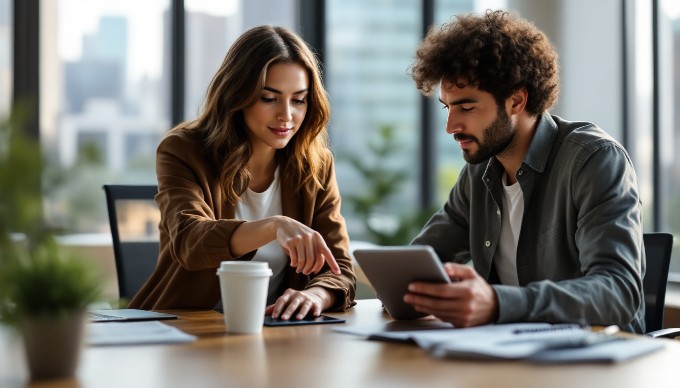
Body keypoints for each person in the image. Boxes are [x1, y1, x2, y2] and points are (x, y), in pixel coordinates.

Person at [403, 10, 645, 333]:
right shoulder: (479, 173)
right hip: (514, 357)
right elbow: (421, 261)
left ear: (516, 101)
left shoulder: (594, 161)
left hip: (597, 362)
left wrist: (499, 304)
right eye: (447, 107)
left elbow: (618, 292)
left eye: (467, 107)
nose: (450, 127)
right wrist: (404, 289)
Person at [129, 25, 356, 320]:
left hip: (274, 335)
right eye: (269, 98)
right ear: (238, 94)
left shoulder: (316, 165)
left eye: (299, 100)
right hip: (185, 329)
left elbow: (340, 268)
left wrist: (315, 295)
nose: (286, 115)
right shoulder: (183, 150)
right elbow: (190, 242)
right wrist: (274, 226)